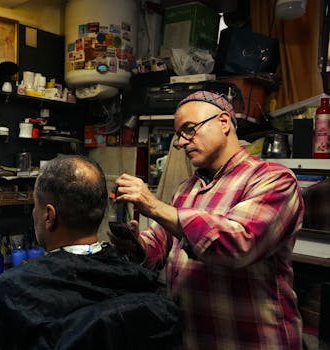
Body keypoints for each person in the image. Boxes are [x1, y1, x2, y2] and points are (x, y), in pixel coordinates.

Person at [0, 155, 181, 350]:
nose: (34, 214)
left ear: (49, 216)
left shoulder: (13, 291)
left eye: (35, 206)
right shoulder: (137, 281)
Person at [110, 91, 305, 349]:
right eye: (179, 135)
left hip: (251, 341)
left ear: (224, 122)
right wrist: (136, 244)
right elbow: (161, 243)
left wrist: (153, 205)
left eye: (189, 130)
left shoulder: (272, 179)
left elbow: (236, 244)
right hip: (193, 339)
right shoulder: (186, 189)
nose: (181, 143)